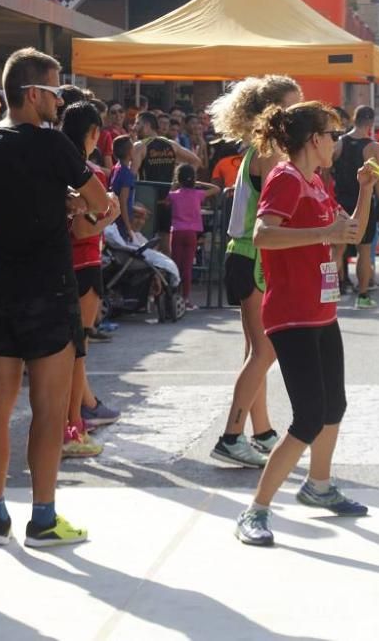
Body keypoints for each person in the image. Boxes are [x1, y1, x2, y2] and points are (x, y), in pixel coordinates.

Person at [0, 48, 109, 549]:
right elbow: (99, 204)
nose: (59, 101)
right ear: (33, 93)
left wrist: (59, 199)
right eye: (54, 91)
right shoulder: (54, 146)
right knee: (49, 408)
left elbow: (9, 199)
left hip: (2, 282)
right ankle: (43, 518)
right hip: (49, 284)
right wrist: (88, 209)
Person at [234, 101, 374, 546]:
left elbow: (350, 232)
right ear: (315, 139)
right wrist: (321, 235)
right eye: (333, 134)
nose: (337, 142)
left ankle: (319, 486)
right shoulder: (285, 178)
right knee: (310, 415)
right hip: (291, 313)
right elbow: (263, 235)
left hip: (321, 309)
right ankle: (255, 510)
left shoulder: (317, 182)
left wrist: (366, 190)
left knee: (334, 407)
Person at [208, 75, 300, 468]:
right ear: (274, 112)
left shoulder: (263, 149)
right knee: (265, 351)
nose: (299, 113)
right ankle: (231, 436)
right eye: (293, 106)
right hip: (252, 257)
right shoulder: (271, 152)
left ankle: (261, 431)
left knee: (256, 352)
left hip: (246, 256)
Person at [60, 101, 121, 458]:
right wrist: (110, 215)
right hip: (83, 264)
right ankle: (73, 426)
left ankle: (75, 419)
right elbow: (84, 229)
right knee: (77, 351)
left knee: (68, 351)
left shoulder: (56, 166)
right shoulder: (87, 173)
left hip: (63, 265)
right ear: (94, 133)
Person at [331, 105, 379, 308]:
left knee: (338, 249)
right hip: (363, 203)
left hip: (340, 204)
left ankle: (330, 291)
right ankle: (363, 295)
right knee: (364, 250)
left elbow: (324, 173)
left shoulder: (337, 143)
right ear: (371, 123)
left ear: (354, 120)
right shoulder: (374, 147)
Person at [132, 111, 200, 256]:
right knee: (165, 245)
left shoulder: (140, 146)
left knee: (144, 243)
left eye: (137, 123)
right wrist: (180, 183)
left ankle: (152, 278)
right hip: (167, 201)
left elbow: (132, 175)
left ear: (147, 125)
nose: (134, 127)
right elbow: (195, 161)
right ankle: (166, 277)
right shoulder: (171, 144)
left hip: (147, 203)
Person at [168, 164, 218, 310]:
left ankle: (174, 295)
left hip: (176, 232)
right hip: (192, 234)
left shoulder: (174, 195)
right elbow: (216, 189)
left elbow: (166, 199)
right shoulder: (198, 194)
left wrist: (174, 185)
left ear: (178, 179)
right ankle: (186, 298)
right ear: (193, 179)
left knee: (175, 265)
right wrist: (199, 183)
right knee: (188, 267)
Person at [110, 134, 137, 243]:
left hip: (112, 221)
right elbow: (122, 202)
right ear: (130, 152)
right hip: (120, 225)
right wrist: (129, 228)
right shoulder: (127, 174)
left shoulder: (115, 168)